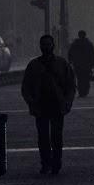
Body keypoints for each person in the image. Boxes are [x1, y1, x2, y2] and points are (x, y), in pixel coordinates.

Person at [22, 35, 76, 175]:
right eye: (44, 44)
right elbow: (26, 88)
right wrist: (32, 102)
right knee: (44, 137)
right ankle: (48, 163)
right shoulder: (54, 64)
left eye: (48, 44)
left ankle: (53, 162)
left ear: (52, 45)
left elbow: (70, 85)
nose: (46, 47)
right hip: (42, 105)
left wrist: (67, 101)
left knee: (54, 136)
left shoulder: (38, 65)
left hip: (55, 105)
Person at [67, 30, 94, 98]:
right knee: (86, 78)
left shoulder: (75, 44)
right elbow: (93, 55)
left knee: (80, 78)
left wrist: (70, 61)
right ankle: (85, 91)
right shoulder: (88, 44)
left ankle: (81, 91)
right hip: (87, 64)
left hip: (78, 64)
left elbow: (70, 53)